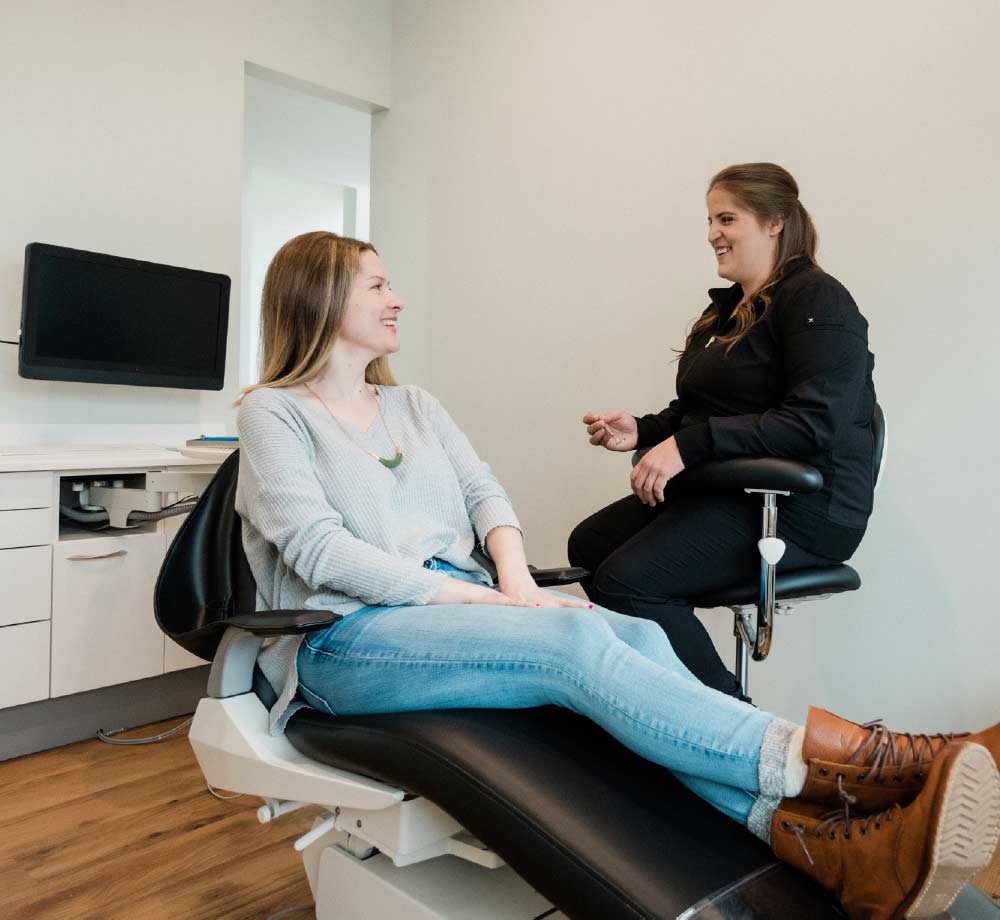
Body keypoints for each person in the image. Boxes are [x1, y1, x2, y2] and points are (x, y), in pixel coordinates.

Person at [234, 230, 998, 920]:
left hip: (455, 604)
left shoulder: (415, 406)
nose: (395, 297)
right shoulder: (274, 414)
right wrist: (489, 600)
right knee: (570, 638)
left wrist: (517, 582)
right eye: (375, 285)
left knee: (630, 631)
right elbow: (320, 551)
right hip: (345, 638)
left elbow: (483, 495)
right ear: (320, 298)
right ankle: (854, 765)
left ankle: (827, 847)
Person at [570, 163, 876, 701]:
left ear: (775, 221)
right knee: (589, 546)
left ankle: (737, 731)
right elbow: (703, 409)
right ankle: (652, 707)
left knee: (630, 581)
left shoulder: (817, 300)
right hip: (732, 490)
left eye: (727, 218)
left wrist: (687, 446)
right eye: (711, 219)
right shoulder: (730, 312)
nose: (713, 232)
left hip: (802, 508)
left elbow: (813, 422)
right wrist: (642, 430)